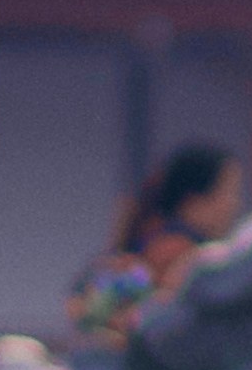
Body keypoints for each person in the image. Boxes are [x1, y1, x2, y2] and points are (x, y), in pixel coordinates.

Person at [69, 143, 239, 343]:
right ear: (195, 199)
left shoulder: (153, 238)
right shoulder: (181, 253)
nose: (234, 204)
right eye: (229, 191)